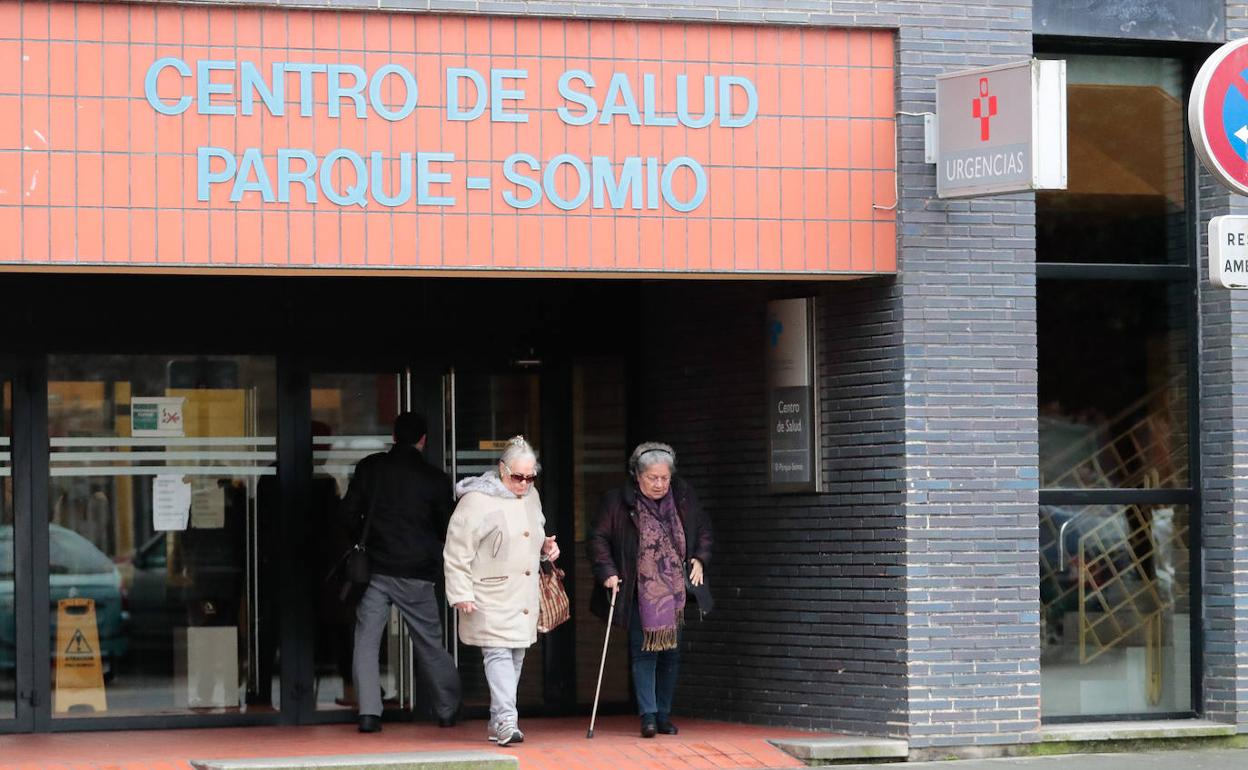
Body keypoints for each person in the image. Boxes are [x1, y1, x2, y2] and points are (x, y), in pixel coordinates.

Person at [341, 411, 461, 733]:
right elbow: (447, 526)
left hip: (375, 569)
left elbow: (349, 513)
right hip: (417, 572)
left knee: (366, 641)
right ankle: (448, 709)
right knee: (429, 642)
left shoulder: (370, 468)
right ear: (423, 439)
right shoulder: (435, 479)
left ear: (394, 437)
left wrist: (363, 543)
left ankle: (369, 714)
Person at [588, 442, 713, 738]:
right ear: (637, 476)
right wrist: (608, 572)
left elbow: (704, 530)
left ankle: (663, 714)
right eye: (652, 478)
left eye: (664, 478)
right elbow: (598, 539)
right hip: (636, 588)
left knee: (671, 654)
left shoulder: (684, 497)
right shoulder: (617, 502)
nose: (659, 484)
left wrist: (700, 557)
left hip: (675, 592)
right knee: (644, 651)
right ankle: (648, 716)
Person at [443, 436, 559, 747]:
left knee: (516, 655)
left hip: (522, 594)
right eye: (517, 477)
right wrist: (461, 592)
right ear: (501, 469)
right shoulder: (476, 501)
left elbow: (534, 536)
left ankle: (498, 720)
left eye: (530, 476)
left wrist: (546, 547)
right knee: (497, 654)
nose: (524, 483)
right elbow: (456, 551)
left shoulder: (531, 497)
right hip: (489, 595)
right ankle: (508, 720)